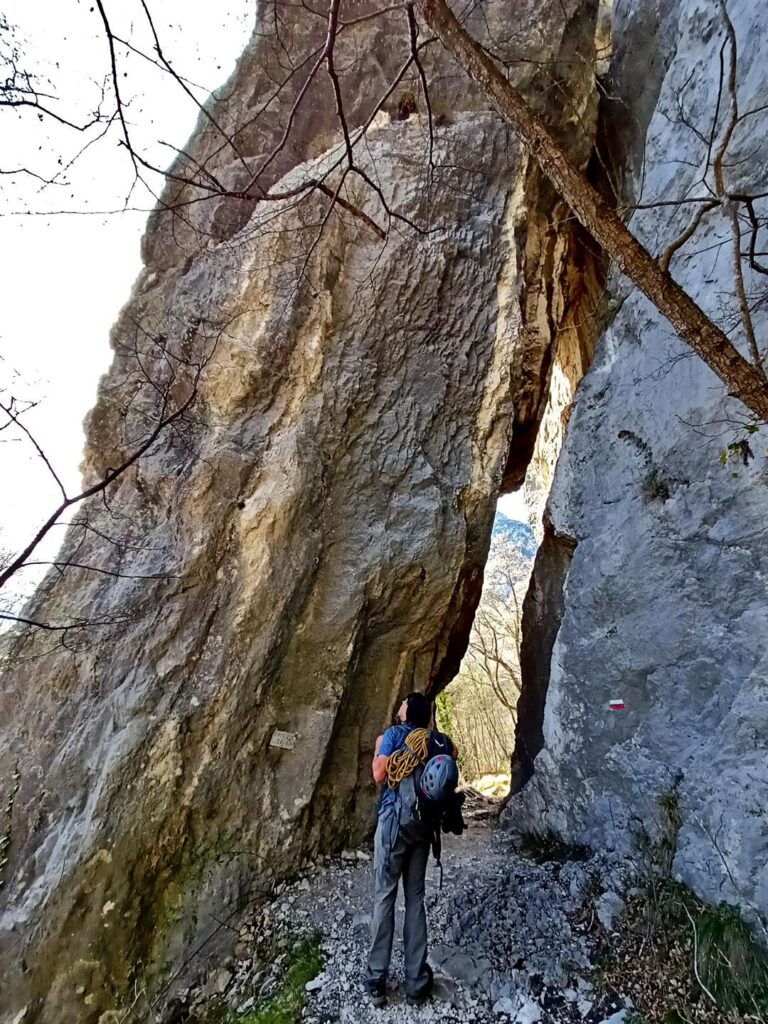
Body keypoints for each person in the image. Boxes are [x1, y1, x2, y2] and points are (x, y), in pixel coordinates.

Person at [365, 692, 457, 1008]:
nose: (400, 707)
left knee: (385, 896)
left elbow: (378, 773)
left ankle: (377, 979)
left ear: (408, 712)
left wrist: (381, 747)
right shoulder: (435, 741)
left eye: (403, 702)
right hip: (422, 829)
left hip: (393, 824)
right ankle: (416, 981)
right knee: (415, 898)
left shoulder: (395, 735)